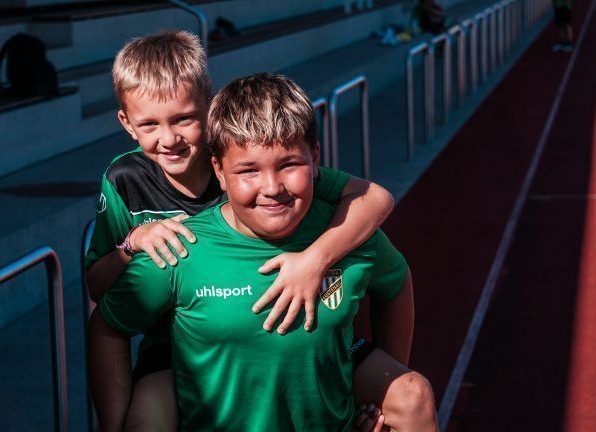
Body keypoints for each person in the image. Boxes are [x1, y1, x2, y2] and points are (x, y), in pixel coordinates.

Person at [85, 31, 400, 431]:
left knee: (408, 394)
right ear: (127, 123)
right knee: (145, 419)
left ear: (207, 105)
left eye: (183, 118)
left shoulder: (247, 160)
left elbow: (374, 198)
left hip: (276, 329)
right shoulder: (124, 179)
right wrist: (132, 244)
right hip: (173, 344)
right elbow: (98, 289)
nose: (169, 139)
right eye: (150, 124)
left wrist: (315, 258)